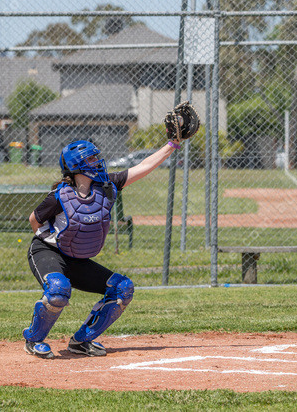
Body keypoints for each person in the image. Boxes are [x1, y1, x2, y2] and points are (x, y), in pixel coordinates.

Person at [23, 138, 183, 359]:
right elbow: (34, 219)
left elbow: (144, 166)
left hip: (76, 259)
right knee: (58, 290)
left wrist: (172, 144)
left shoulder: (106, 186)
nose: (97, 162)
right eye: (91, 158)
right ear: (76, 165)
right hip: (48, 252)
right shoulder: (60, 196)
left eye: (96, 157)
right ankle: (34, 339)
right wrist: (51, 239)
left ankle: (81, 341)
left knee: (122, 288)